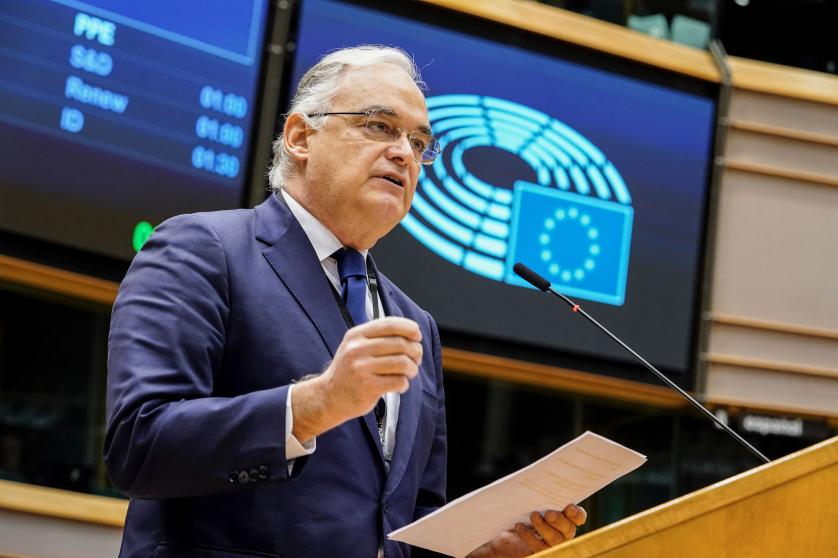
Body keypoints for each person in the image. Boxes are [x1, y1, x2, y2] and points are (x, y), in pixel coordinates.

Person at [105, 45, 586, 558]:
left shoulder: (415, 323)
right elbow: (139, 444)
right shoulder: (204, 249)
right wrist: (315, 404)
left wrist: (479, 551)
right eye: (379, 126)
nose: (404, 153)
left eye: (419, 142)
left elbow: (403, 522)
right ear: (300, 137)